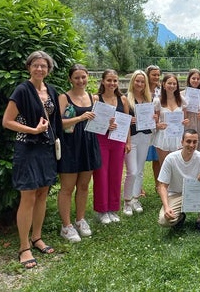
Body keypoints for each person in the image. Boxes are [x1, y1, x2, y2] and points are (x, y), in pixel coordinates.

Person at [2, 51, 60, 269]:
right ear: (29, 67)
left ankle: (37, 237)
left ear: (48, 69)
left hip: (46, 148)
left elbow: (55, 120)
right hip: (27, 148)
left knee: (42, 193)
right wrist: (33, 130)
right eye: (35, 65)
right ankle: (24, 246)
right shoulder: (22, 90)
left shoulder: (51, 91)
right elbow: (7, 121)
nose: (39, 69)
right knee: (28, 196)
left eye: (43, 66)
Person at [57, 64, 101, 242]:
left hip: (88, 144)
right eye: (76, 77)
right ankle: (66, 226)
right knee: (67, 188)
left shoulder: (93, 97)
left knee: (83, 186)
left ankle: (80, 219)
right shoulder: (64, 97)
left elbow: (99, 122)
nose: (80, 80)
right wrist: (80, 118)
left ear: (88, 76)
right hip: (70, 146)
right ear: (70, 79)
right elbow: (58, 123)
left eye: (83, 77)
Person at [157, 129, 200, 232]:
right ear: (182, 142)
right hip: (175, 195)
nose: (191, 145)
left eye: (195, 142)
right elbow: (162, 186)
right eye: (188, 141)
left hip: (194, 193)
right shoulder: (171, 158)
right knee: (164, 221)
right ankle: (180, 217)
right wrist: (166, 207)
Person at [93, 69, 131, 224]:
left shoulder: (123, 99)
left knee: (116, 174)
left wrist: (128, 141)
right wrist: (105, 125)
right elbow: (92, 122)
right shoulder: (96, 98)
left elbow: (127, 121)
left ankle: (113, 208)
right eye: (109, 80)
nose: (112, 83)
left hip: (118, 140)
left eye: (115, 80)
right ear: (103, 81)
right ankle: (102, 210)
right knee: (101, 175)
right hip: (101, 140)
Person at [123, 70, 154, 216]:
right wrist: (129, 120)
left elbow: (152, 118)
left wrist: (153, 118)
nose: (140, 84)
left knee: (140, 170)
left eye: (142, 81)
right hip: (132, 137)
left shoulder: (148, 99)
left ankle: (135, 199)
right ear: (133, 82)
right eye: (137, 81)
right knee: (132, 171)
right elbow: (122, 119)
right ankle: (127, 201)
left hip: (145, 136)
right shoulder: (126, 98)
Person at [153, 73, 189, 165]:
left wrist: (186, 122)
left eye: (174, 84)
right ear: (164, 84)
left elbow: (185, 118)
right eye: (169, 83)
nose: (172, 86)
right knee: (164, 166)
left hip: (178, 137)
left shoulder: (182, 100)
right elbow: (155, 122)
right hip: (163, 137)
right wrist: (158, 125)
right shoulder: (158, 101)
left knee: (178, 165)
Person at [145, 65, 162, 191]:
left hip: (157, 127)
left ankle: (158, 184)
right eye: (153, 75)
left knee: (157, 158)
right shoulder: (142, 89)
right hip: (143, 128)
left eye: (158, 75)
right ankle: (138, 188)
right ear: (148, 75)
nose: (156, 77)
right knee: (140, 158)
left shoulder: (161, 90)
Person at [182, 68, 200, 151]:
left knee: (197, 145)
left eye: (198, 79)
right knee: (186, 145)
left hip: (199, 123)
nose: (196, 80)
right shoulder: (182, 94)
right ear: (189, 79)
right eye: (193, 78)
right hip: (187, 123)